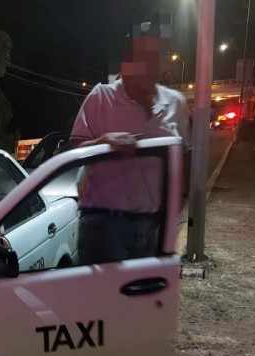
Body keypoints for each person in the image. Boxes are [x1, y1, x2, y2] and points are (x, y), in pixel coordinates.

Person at [70, 34, 190, 264]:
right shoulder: (101, 97)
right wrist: (103, 142)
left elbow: (183, 154)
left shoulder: (176, 103)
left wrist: (179, 201)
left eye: (154, 60)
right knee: (103, 288)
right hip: (104, 226)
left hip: (153, 224)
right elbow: (76, 150)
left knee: (148, 287)